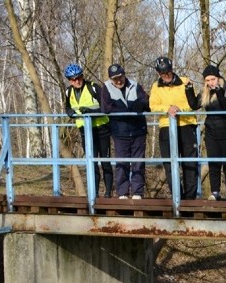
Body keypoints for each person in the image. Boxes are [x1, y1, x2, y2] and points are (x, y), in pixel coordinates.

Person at [148, 56, 200, 199]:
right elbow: (153, 106)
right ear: (158, 73)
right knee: (170, 165)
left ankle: (190, 198)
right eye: (162, 74)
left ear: (172, 70)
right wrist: (168, 108)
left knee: (190, 163)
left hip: (186, 125)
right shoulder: (155, 86)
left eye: (168, 72)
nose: (166, 76)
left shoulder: (185, 82)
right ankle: (177, 196)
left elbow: (192, 104)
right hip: (166, 127)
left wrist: (178, 109)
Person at [63, 63, 113, 197]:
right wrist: (69, 112)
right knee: (91, 163)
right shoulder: (69, 92)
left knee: (105, 162)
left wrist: (90, 111)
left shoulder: (93, 88)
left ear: (82, 76)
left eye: (79, 77)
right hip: (85, 130)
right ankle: (94, 193)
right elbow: (68, 107)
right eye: (73, 79)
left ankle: (108, 194)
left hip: (101, 129)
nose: (77, 81)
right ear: (69, 80)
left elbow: (106, 108)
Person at [100, 63, 149, 199]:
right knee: (122, 163)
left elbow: (145, 103)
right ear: (111, 79)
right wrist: (129, 109)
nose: (118, 81)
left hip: (138, 130)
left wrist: (136, 106)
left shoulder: (135, 85)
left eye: (120, 77)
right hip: (119, 132)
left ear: (124, 74)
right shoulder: (106, 88)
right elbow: (107, 108)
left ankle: (138, 192)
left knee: (138, 162)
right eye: (115, 79)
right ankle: (122, 193)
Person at [200, 64, 226, 201]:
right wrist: (188, 89)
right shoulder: (206, 91)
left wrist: (219, 91)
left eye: (213, 79)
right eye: (208, 80)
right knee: (214, 164)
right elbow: (194, 105)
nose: (211, 83)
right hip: (212, 132)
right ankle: (215, 192)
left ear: (218, 77)